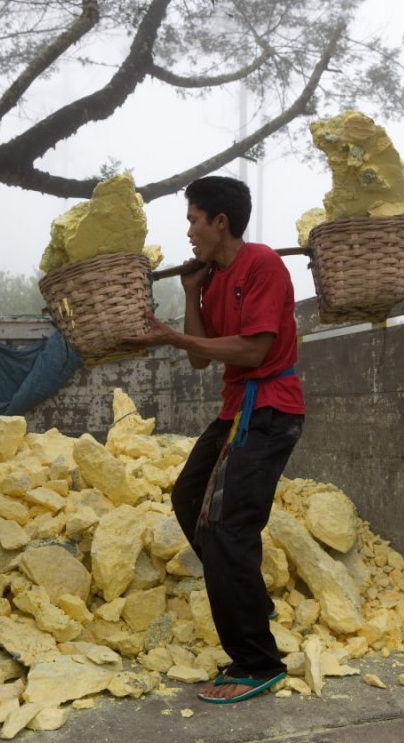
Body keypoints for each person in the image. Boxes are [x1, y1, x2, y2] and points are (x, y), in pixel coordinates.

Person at [121, 175, 305, 704]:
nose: (189, 232)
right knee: (188, 499)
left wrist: (173, 335)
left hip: (270, 410)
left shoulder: (263, 264)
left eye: (193, 221)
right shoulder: (217, 279)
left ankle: (257, 662)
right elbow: (202, 357)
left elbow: (253, 351)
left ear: (219, 222)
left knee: (226, 530)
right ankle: (250, 596)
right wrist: (192, 293)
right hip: (235, 413)